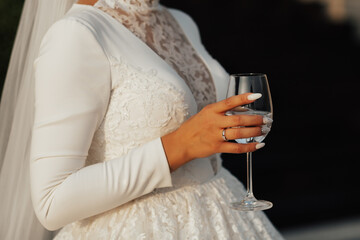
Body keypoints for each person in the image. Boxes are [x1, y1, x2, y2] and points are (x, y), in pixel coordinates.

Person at [0, 0, 284, 239]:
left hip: (224, 212)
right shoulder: (76, 34)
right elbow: (52, 202)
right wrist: (179, 146)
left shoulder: (180, 21)